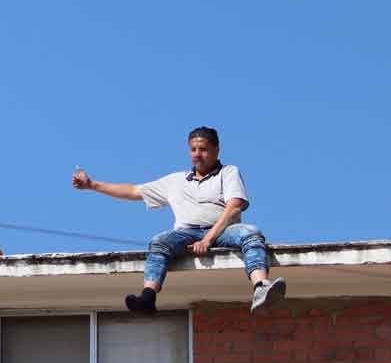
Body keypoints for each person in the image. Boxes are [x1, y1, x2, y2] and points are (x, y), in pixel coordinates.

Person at [71, 126, 285, 314]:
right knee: (159, 242)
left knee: (251, 234)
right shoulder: (176, 181)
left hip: (223, 231)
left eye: (203, 149)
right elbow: (134, 190)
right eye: (193, 150)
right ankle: (148, 297)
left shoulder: (228, 172)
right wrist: (93, 185)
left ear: (216, 150)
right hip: (187, 232)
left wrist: (208, 239)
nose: (197, 155)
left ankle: (261, 287)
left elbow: (234, 207)